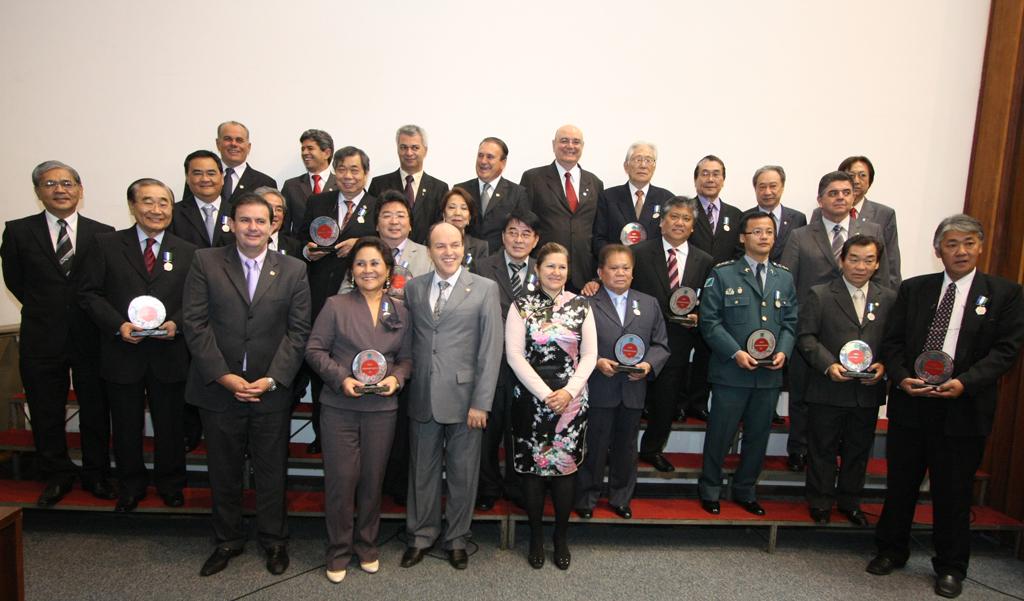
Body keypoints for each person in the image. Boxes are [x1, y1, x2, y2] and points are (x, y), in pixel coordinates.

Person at [868, 215, 1024, 599]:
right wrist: (903, 378)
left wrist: (964, 383)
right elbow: (893, 342)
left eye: (969, 243)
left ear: (980, 247)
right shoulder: (915, 289)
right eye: (952, 244)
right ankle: (892, 550)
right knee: (901, 485)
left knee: (953, 492)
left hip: (963, 407)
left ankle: (951, 566)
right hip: (913, 402)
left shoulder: (1005, 294)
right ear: (938, 250)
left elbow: (1006, 351)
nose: (961, 251)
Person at [182, 193, 311, 577]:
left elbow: (298, 331)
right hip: (218, 389)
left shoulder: (293, 270)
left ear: (274, 225)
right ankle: (227, 540)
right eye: (245, 220)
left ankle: (274, 540)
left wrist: (271, 379)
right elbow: (195, 323)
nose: (253, 227)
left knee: (273, 470)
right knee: (223, 469)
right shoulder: (205, 262)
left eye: (261, 221)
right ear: (232, 224)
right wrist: (224, 375)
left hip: (271, 390)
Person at [78, 178, 197, 512]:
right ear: (132, 206)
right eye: (148, 201)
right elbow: (89, 293)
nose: (156, 209)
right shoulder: (106, 245)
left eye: (163, 203)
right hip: (122, 351)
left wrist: (178, 323)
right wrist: (118, 325)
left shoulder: (187, 251)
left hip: (169, 352)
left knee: (170, 425)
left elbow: (196, 299)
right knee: (126, 423)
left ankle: (171, 483)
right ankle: (130, 484)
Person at [1, 160, 115, 506]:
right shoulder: (19, 231)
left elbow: (105, 286)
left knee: (95, 410)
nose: (60, 190)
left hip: (89, 336)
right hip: (42, 336)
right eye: (51, 184)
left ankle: (97, 474)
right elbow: (16, 281)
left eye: (67, 183)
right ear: (39, 192)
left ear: (80, 190)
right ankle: (57, 473)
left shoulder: (103, 233)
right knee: (46, 409)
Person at [305, 237, 412, 583]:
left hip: (382, 408)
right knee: (341, 480)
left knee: (371, 480)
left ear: (387, 270)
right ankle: (337, 550)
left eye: (375, 264)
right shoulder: (335, 305)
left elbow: (407, 359)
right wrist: (340, 379)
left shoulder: (400, 311)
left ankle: (367, 546)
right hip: (340, 406)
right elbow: (315, 350)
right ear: (352, 270)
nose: (368, 270)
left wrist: (396, 379)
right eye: (361, 264)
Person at [400, 222, 503, 571]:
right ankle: (421, 536)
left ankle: (457, 538)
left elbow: (491, 350)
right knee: (422, 473)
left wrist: (481, 402)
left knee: (462, 473)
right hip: (423, 396)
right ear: (429, 250)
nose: (448, 252)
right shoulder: (414, 289)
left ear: (464, 248)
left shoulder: (485, 289)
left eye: (454, 245)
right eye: (440, 246)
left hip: (465, 399)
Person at [779, 171, 888, 472]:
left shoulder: (872, 232)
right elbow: (787, 282)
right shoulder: (801, 235)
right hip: (812, 330)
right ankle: (799, 447)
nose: (840, 197)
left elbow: (887, 278)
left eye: (845, 192)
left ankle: (840, 451)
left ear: (854, 197)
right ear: (820, 199)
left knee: (851, 404)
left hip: (859, 330)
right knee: (802, 393)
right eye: (833, 193)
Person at [697, 212, 797, 516]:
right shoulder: (723, 273)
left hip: (768, 377)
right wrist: (736, 353)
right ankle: (710, 489)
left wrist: (783, 351)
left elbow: (790, 322)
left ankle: (745, 490)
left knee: (758, 437)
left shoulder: (784, 276)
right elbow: (709, 321)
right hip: (731, 372)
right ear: (743, 238)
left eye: (769, 231)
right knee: (720, 434)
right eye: (757, 232)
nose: (764, 237)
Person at [505, 242, 597, 569]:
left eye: (562, 267)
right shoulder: (521, 305)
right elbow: (514, 355)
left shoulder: (581, 305)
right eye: (550, 266)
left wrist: (569, 392)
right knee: (532, 470)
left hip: (571, 403)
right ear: (538, 269)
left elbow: (589, 355)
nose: (556, 272)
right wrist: (546, 394)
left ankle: (560, 536)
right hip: (531, 400)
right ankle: (535, 536)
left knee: (564, 470)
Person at [796, 235, 893, 526]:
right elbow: (806, 337)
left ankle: (850, 502)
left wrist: (883, 364)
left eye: (868, 260)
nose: (860, 266)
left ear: (877, 264)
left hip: (866, 391)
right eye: (854, 259)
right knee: (822, 448)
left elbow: (894, 340)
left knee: (858, 449)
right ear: (842, 260)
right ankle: (821, 501)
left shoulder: (888, 298)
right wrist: (828, 366)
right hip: (829, 387)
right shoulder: (821, 294)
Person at [575, 244, 669, 521]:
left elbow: (661, 344)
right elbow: (574, 345)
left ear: (633, 271)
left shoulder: (649, 303)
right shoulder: (586, 304)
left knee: (627, 447)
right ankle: (586, 498)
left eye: (625, 268)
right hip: (598, 388)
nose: (620, 273)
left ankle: (620, 497)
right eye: (613, 268)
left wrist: (648, 365)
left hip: (633, 388)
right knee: (593, 445)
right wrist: (596, 362)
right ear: (600, 273)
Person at [298, 146, 379, 454]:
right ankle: (322, 434)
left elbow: (386, 244)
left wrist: (362, 242)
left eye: (354, 170)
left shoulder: (375, 206)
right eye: (342, 169)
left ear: (365, 173)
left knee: (357, 362)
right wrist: (308, 250)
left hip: (360, 301)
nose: (347, 176)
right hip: (320, 296)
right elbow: (298, 239)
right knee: (323, 364)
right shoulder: (318, 202)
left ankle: (359, 435)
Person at [627, 197, 714, 470]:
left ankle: (652, 449)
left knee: (666, 403)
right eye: (674, 216)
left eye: (686, 219)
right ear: (662, 222)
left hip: (677, 341)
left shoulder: (705, 260)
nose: (679, 222)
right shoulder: (638, 253)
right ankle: (622, 450)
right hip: (637, 340)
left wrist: (698, 317)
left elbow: (708, 301)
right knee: (630, 401)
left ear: (692, 227)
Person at [473, 211, 541, 510]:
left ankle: (516, 486)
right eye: (513, 232)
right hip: (492, 362)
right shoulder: (483, 267)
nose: (518, 239)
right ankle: (487, 487)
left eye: (526, 234)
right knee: (490, 430)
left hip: (531, 366)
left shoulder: (544, 270)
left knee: (522, 429)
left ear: (536, 240)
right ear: (503, 237)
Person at [372, 190, 432, 507]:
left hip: (413, 352)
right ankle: (373, 489)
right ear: (377, 223)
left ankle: (401, 489)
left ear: (410, 223)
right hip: (372, 355)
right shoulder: (366, 253)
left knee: (409, 428)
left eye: (400, 216)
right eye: (387, 215)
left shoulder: (426, 255)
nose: (394, 222)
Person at [685, 154, 744, 420]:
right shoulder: (683, 210)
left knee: (708, 352)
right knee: (680, 351)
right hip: (685, 293)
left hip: (720, 295)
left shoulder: (735, 215)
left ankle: (698, 401)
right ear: (696, 179)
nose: (710, 179)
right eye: (705, 173)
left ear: (723, 179)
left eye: (716, 173)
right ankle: (677, 402)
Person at [520, 124, 604, 292]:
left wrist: (597, 277)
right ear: (554, 145)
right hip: (545, 272)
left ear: (582, 146)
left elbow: (598, 231)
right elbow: (524, 225)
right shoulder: (533, 178)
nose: (570, 146)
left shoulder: (595, 183)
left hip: (584, 277)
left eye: (576, 142)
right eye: (564, 141)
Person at [368, 124, 449, 244]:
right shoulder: (379, 184)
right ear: (397, 149)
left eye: (415, 147)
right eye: (403, 147)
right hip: (386, 254)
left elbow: (440, 229)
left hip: (425, 256)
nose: (409, 153)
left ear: (425, 150)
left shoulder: (439, 188)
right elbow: (372, 224)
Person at [829, 155, 901, 289]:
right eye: (851, 175)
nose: (856, 181)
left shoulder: (884, 214)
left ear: (870, 181)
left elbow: (891, 263)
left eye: (862, 175)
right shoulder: (824, 212)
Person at [592, 142, 674, 257]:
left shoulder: (667, 199)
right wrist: (614, 259)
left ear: (654, 167)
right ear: (626, 166)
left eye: (648, 160)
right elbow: (598, 238)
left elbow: (672, 238)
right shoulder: (608, 197)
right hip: (618, 268)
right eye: (638, 159)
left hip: (653, 268)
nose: (643, 165)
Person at [454, 136, 530, 252]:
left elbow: (521, 232)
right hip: (464, 259)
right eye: (480, 156)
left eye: (490, 157)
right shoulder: (461, 190)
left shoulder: (517, 194)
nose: (483, 161)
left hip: (499, 264)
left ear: (502, 163)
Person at [181, 121, 276, 204]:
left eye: (239, 140)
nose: (233, 144)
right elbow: (188, 211)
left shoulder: (265, 182)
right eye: (228, 139)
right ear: (218, 144)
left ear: (248, 147)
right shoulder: (198, 178)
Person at [740, 165, 807, 262]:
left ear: (782, 187)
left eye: (773, 186)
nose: (767, 192)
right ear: (755, 189)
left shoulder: (798, 219)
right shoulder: (744, 217)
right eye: (762, 187)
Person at [280, 129, 336, 236]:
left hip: (336, 250)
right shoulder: (291, 186)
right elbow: (283, 227)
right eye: (303, 149)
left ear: (327, 153)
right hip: (299, 250)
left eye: (310, 148)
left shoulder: (341, 185)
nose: (305, 153)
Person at [439, 187, 489, 266]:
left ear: (469, 217)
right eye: (452, 207)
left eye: (464, 208)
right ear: (444, 214)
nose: (457, 213)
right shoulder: (431, 243)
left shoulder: (480, 247)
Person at [255, 187, 304, 257]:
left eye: (279, 209)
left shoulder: (295, 247)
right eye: (269, 208)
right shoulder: (239, 242)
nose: (274, 214)